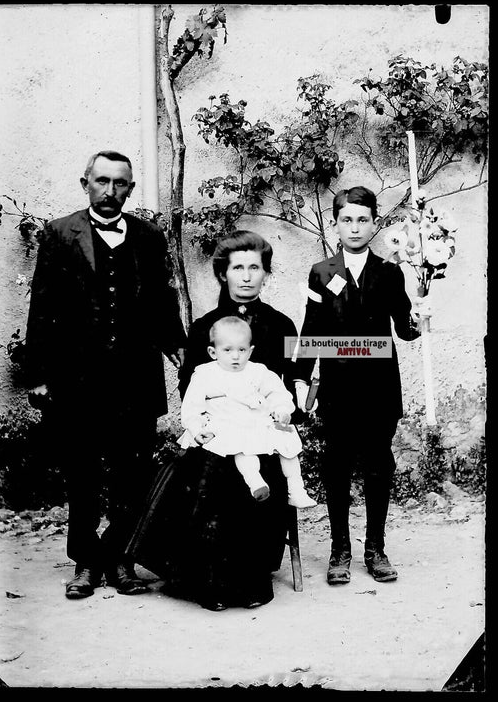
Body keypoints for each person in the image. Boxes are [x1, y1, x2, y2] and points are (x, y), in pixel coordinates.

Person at [25, 150, 186, 599]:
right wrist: (38, 372)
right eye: (102, 181)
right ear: (86, 183)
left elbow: (161, 298)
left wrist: (175, 346)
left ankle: (121, 559)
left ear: (130, 190)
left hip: (135, 377)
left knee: (131, 475)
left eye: (120, 184)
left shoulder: (149, 236)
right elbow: (43, 304)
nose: (110, 191)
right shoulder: (60, 234)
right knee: (82, 475)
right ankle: (84, 563)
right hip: (78, 379)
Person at [127, 230, 302, 611]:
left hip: (262, 433)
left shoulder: (283, 325)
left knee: (253, 473)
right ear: (223, 273)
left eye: (254, 267)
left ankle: (250, 577)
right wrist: (203, 423)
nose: (245, 276)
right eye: (237, 267)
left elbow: (292, 379)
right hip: (215, 429)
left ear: (265, 274)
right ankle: (206, 580)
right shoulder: (205, 325)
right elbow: (191, 383)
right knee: (209, 471)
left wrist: (285, 411)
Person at [295, 186, 421, 586]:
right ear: (336, 223)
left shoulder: (390, 271)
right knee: (336, 466)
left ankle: (376, 548)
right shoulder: (321, 271)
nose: (354, 227)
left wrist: (420, 316)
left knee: (378, 465)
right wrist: (299, 377)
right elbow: (312, 330)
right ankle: (340, 549)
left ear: (375, 223)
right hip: (338, 388)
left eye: (362, 219)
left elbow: (404, 330)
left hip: (379, 387)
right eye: (346, 219)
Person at [178, 316, 317, 508]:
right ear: (212, 352)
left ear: (250, 351)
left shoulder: (258, 371)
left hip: (256, 421)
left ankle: (296, 489)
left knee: (287, 441)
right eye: (227, 350)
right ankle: (255, 482)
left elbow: (277, 393)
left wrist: (282, 409)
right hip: (225, 422)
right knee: (241, 449)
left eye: (241, 350)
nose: (235, 356)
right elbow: (192, 407)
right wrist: (195, 428)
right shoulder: (205, 374)